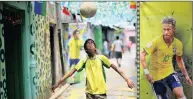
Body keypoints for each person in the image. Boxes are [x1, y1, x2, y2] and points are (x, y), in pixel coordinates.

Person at [52, 39, 134, 99]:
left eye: (92, 43)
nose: (90, 44)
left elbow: (116, 69)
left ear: (95, 48)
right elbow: (71, 73)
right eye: (88, 44)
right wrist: (58, 84)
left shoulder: (101, 58)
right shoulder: (84, 60)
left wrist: (127, 80)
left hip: (101, 93)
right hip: (89, 94)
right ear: (86, 50)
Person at [140, 17, 192, 99]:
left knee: (180, 94)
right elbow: (142, 55)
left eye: (168, 29)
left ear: (174, 29)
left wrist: (186, 76)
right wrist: (147, 73)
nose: (166, 32)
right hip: (156, 76)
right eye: (164, 29)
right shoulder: (156, 42)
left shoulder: (178, 44)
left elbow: (179, 60)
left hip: (169, 72)